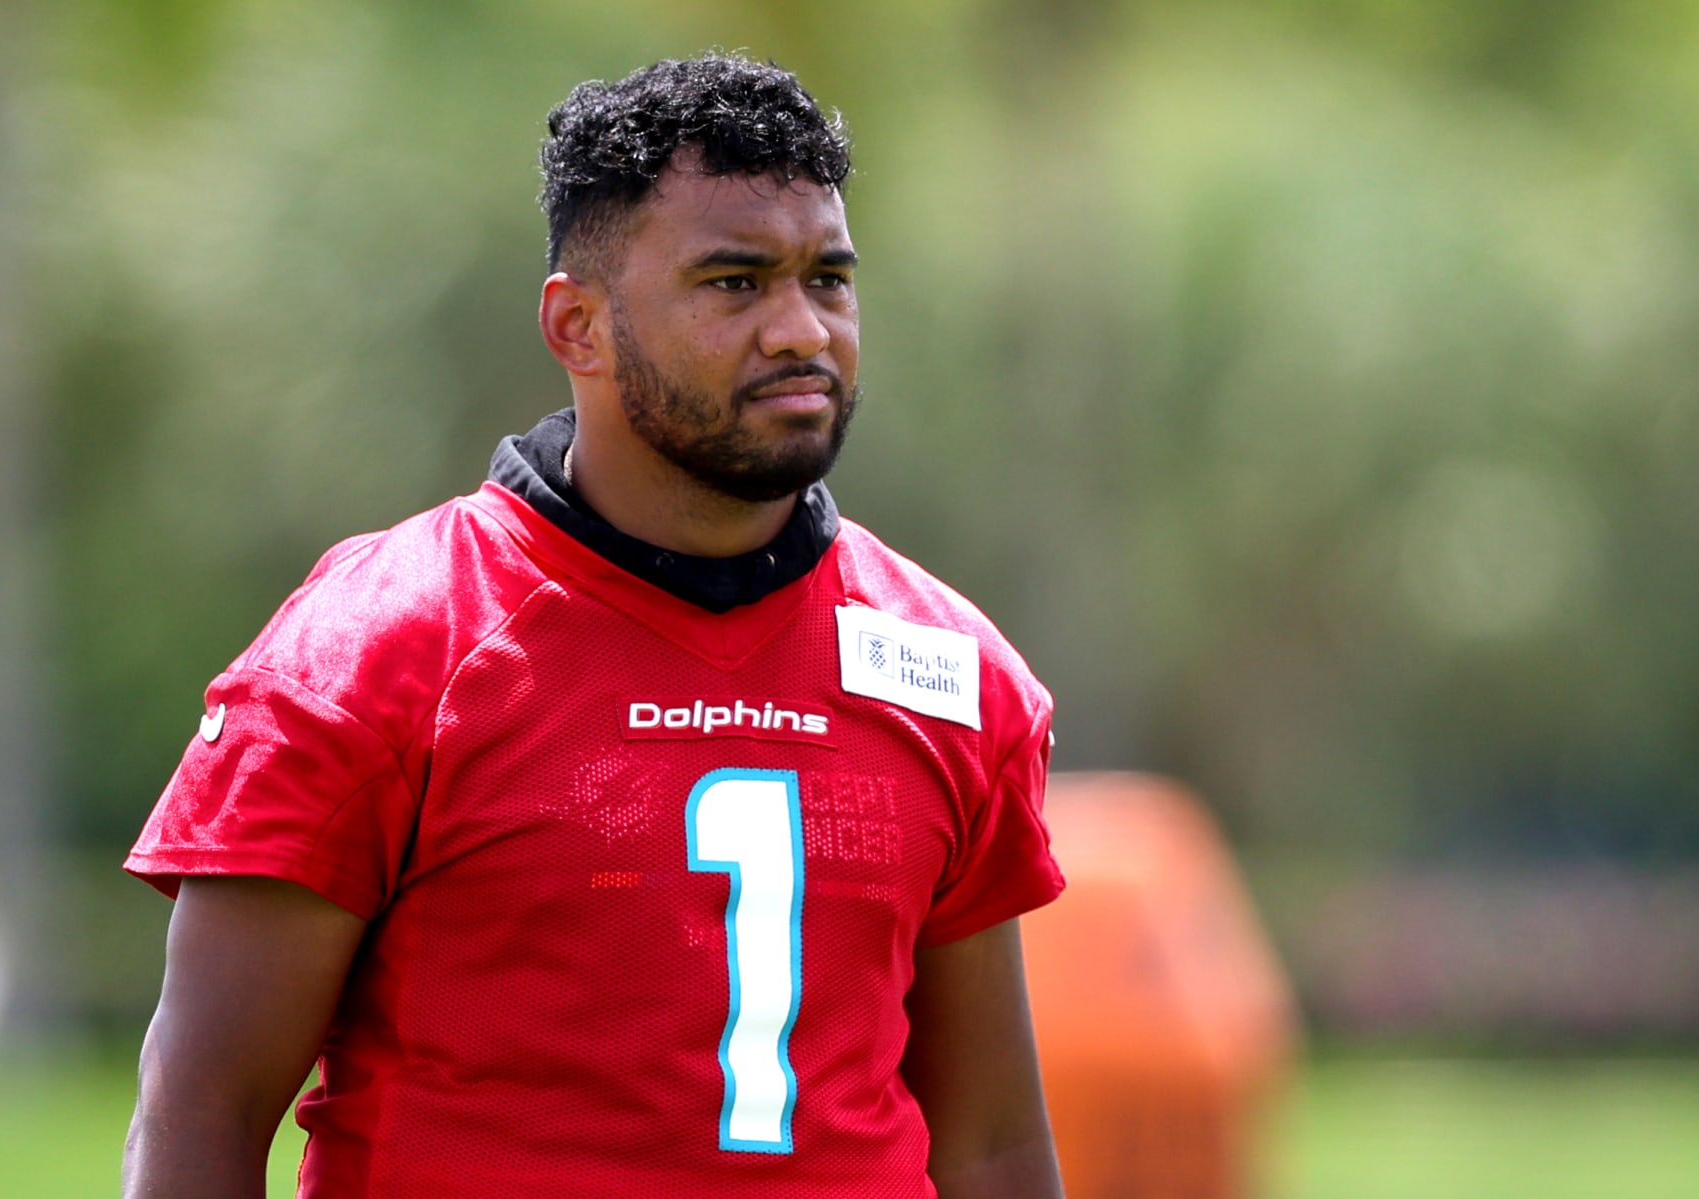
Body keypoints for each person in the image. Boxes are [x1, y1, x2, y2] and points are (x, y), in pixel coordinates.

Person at [122, 53, 1065, 1199]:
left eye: (829, 277)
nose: (801, 330)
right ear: (579, 326)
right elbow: (203, 1106)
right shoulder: (383, 647)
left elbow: (994, 1144)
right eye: (735, 282)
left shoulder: (949, 668)